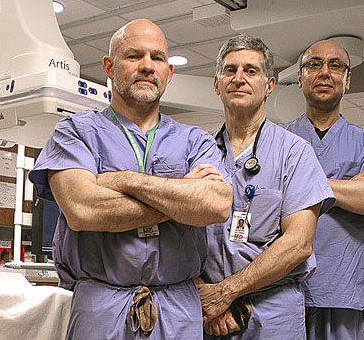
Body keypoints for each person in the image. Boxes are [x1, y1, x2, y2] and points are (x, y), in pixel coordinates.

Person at [28, 19, 233, 339]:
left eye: (158, 58)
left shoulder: (195, 140)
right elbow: (83, 210)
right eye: (134, 56)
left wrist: (123, 180)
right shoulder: (74, 133)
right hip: (102, 307)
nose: (148, 66)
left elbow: (216, 205)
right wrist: (182, 198)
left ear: (169, 72)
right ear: (109, 66)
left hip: (177, 308)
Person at [197, 35, 335, 339]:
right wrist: (204, 296)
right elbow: (175, 232)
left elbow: (299, 243)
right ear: (217, 84)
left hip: (271, 314)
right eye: (230, 70)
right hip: (208, 313)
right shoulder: (198, 151)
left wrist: (225, 293)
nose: (239, 79)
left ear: (269, 85)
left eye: (250, 71)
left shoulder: (294, 153)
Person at [280, 39, 364, 340]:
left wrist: (303, 184)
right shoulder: (279, 139)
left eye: (336, 66)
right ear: (299, 77)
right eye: (314, 64)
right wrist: (350, 187)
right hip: (282, 284)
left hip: (340, 288)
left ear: (347, 79)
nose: (325, 72)